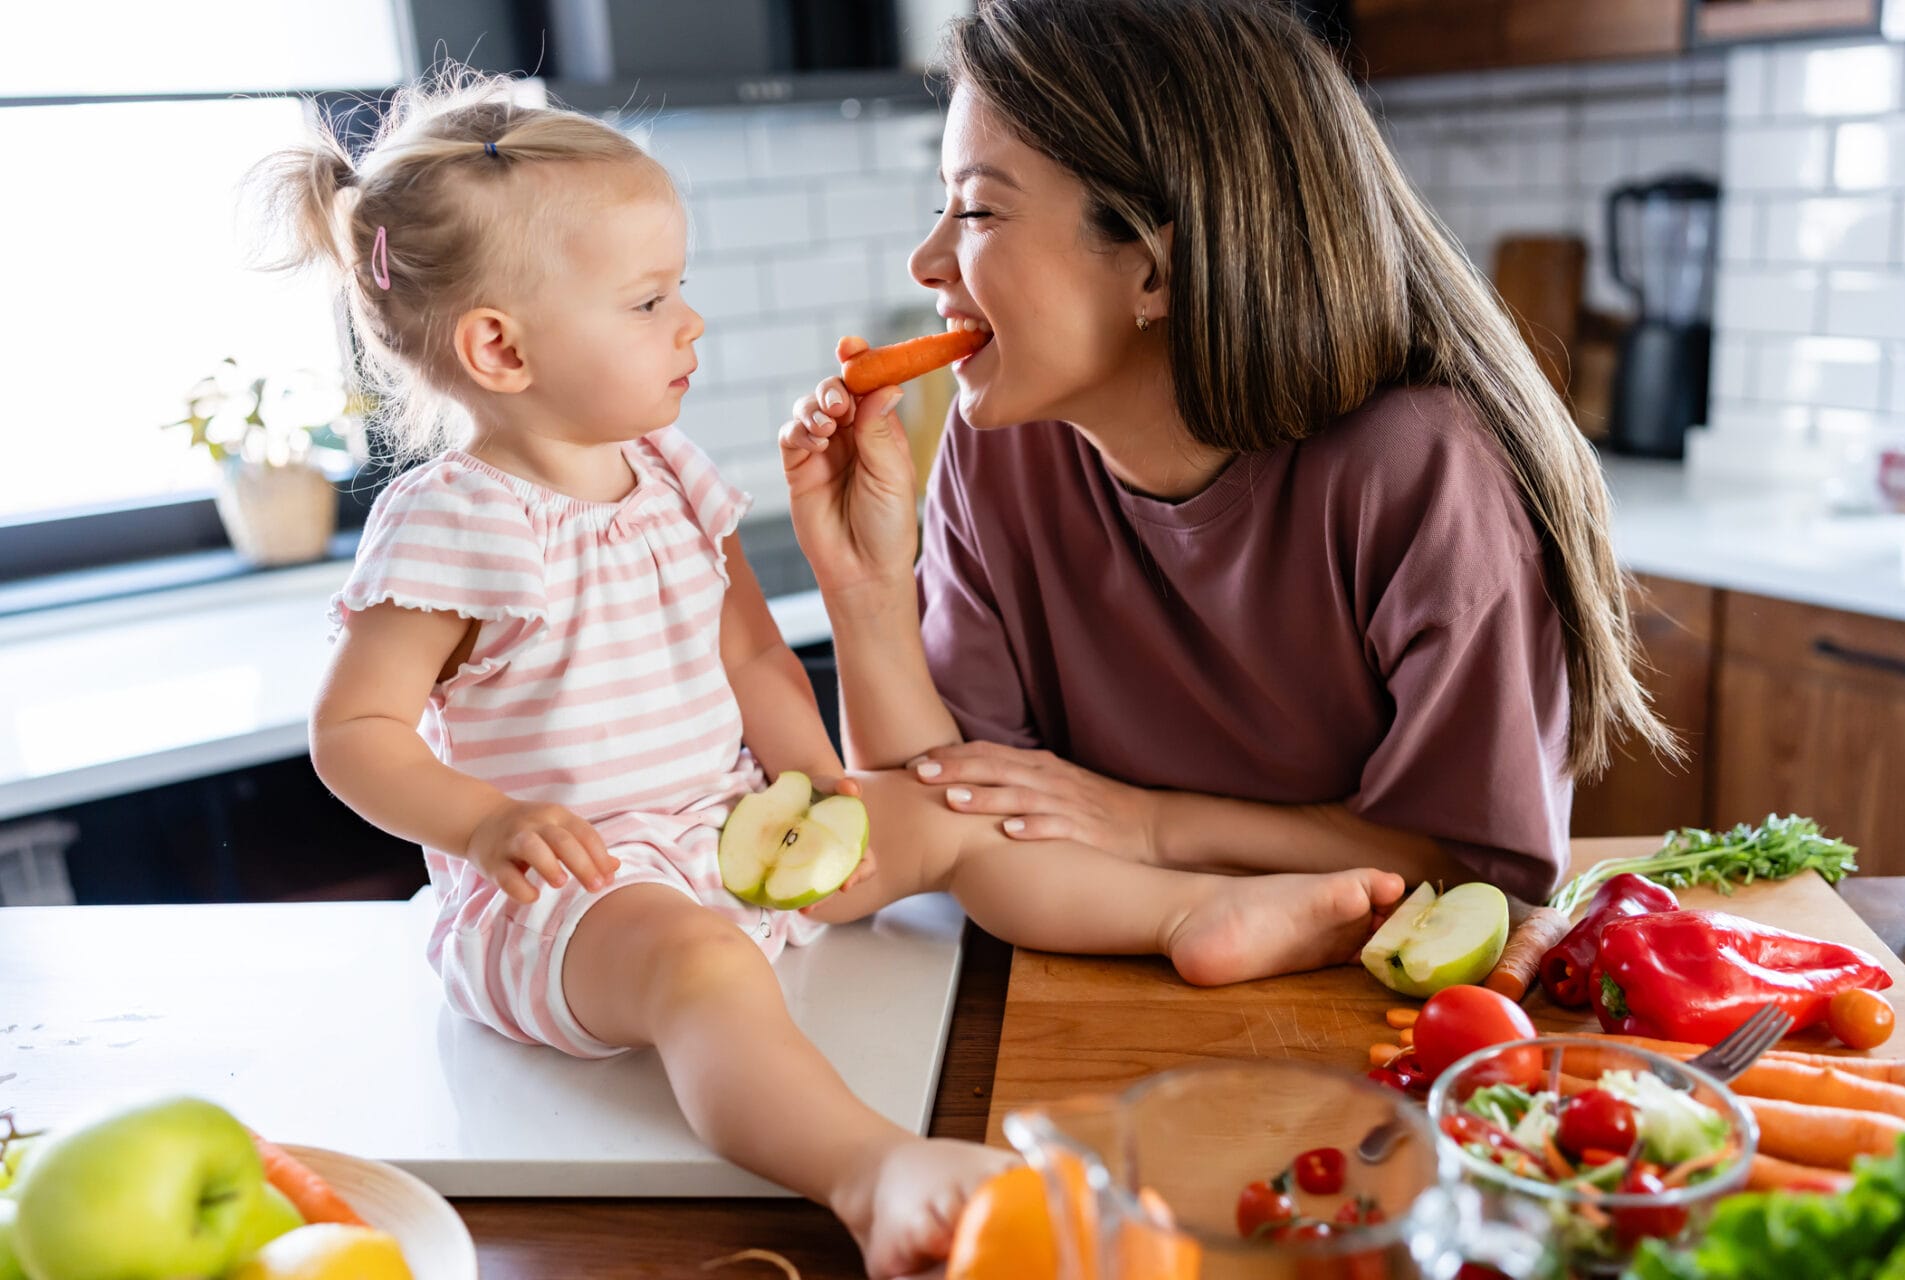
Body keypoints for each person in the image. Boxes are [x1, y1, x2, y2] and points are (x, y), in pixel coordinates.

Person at [265, 69, 1396, 1277]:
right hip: (569, 901)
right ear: (500, 346)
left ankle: (1189, 913)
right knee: (698, 967)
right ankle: (869, 1168)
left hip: (720, 835)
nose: (689, 323)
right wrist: (486, 822)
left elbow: (751, 646)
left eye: (680, 287)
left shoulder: (667, 469)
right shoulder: (456, 520)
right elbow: (357, 731)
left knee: (952, 808)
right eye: (648, 301)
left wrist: (817, 784)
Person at [781, 0, 1673, 911]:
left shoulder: (1420, 474)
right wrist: (866, 590)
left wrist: (1148, 824)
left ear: (1156, 270)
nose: (926, 261)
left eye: (977, 210)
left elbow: (1480, 865)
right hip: (1097, 972)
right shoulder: (997, 447)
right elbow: (942, 810)